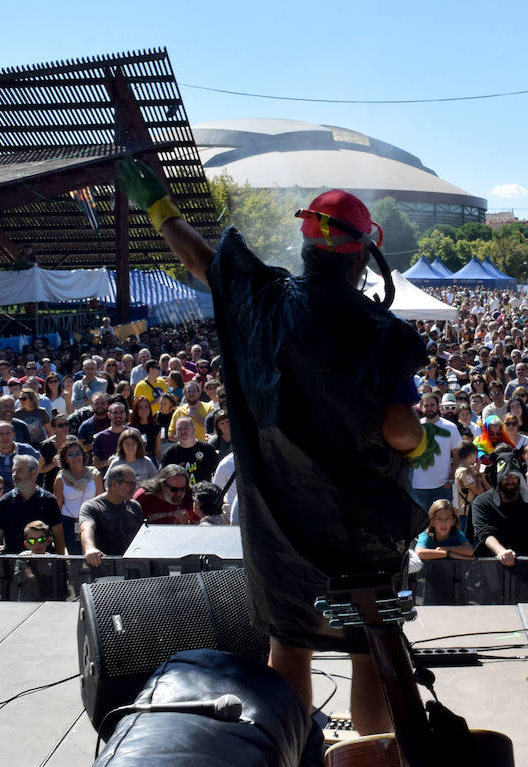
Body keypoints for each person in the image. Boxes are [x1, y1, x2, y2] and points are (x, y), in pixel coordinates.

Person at [118, 158, 427, 735]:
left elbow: (201, 260)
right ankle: (373, 758)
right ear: (362, 255)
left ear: (307, 248)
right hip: (362, 529)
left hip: (280, 524)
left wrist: (158, 207)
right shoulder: (383, 332)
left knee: (289, 642)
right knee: (369, 648)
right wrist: (423, 442)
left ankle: (289, 751)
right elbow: (400, 432)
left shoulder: (263, 300)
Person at [471, 451, 528, 563]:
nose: (510, 481)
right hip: (493, 565)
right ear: (497, 478)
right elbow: (484, 533)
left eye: (514, 476)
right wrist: (501, 552)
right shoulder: (482, 503)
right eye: (505, 477)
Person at [0, 455, 65, 556]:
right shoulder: (5, 502)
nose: (14, 475)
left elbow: (58, 536)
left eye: (19, 471)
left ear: (34, 473)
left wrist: (60, 565)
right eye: (13, 471)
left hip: (45, 565)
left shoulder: (49, 500)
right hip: (14, 565)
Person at [80, 464, 145, 566]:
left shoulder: (135, 506)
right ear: (114, 484)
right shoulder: (92, 507)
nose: (134, 488)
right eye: (130, 484)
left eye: (135, 484)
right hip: (104, 570)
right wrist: (90, 548)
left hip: (133, 568)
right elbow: (87, 529)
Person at [408, 392, 462, 511]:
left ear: (438, 406)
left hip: (443, 486)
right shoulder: (414, 427)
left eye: (432, 405)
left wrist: (451, 478)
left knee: (444, 524)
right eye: (426, 406)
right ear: (421, 407)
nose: (429, 408)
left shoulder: (450, 427)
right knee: (421, 527)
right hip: (419, 487)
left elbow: (458, 456)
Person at [52, 438, 101, 555]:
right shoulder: (60, 478)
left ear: (83, 455)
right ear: (65, 459)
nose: (75, 457)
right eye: (70, 455)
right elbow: (57, 505)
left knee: (93, 554)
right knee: (75, 557)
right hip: (69, 522)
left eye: (78, 453)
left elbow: (100, 500)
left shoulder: (95, 474)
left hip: (91, 520)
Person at [160, 416, 218, 485]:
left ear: (194, 429)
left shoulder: (208, 449)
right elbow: (162, 479)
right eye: (179, 429)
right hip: (179, 494)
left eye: (186, 428)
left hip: (204, 493)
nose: (183, 431)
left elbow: (218, 473)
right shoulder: (169, 454)